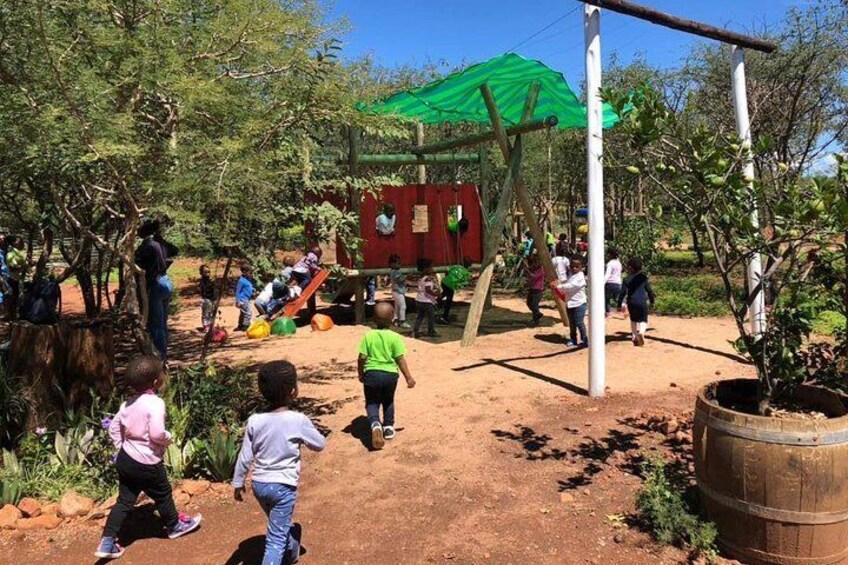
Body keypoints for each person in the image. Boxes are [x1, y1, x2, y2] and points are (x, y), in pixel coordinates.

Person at [95, 356, 202, 559]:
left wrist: (122, 448)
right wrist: (167, 438)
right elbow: (156, 433)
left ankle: (107, 541)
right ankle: (174, 525)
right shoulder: (155, 403)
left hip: (126, 459)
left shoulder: (128, 404)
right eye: (162, 372)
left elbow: (114, 429)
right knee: (163, 493)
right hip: (147, 461)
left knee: (125, 501)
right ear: (155, 382)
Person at [233, 361, 326, 565]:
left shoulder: (255, 421)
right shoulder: (297, 420)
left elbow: (245, 456)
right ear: (293, 391)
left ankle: (292, 552)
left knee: (279, 526)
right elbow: (319, 444)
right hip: (283, 487)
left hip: (260, 485)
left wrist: (238, 483)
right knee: (275, 539)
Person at [357, 302, 416, 449]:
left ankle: (375, 423)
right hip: (390, 375)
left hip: (372, 373)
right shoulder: (395, 337)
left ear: (374, 319)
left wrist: (361, 373)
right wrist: (408, 377)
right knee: (388, 400)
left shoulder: (368, 336)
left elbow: (362, 358)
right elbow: (399, 359)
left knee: (372, 402)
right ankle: (388, 427)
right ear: (392, 319)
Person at [134, 220, 178, 362]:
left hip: (155, 285)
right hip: (166, 281)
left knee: (156, 324)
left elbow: (136, 262)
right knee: (162, 323)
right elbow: (175, 251)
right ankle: (163, 354)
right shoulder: (160, 243)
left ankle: (160, 358)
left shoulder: (147, 246)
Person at [618, 257, 656, 347]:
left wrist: (619, 304)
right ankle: (641, 332)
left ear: (630, 268)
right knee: (643, 319)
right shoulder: (643, 277)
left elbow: (622, 293)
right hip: (642, 301)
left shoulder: (626, 278)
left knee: (633, 319)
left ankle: (634, 336)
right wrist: (652, 301)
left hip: (631, 302)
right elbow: (649, 290)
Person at [555, 257, 588, 348]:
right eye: (572, 266)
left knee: (579, 323)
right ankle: (573, 340)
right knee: (572, 323)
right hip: (570, 303)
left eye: (577, 266)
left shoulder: (580, 277)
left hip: (579, 304)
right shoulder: (570, 275)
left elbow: (571, 286)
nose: (574, 268)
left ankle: (584, 340)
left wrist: (559, 287)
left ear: (581, 267)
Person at [413, 258, 439, 339]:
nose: (432, 269)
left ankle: (415, 330)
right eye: (431, 267)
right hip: (426, 302)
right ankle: (431, 331)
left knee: (420, 316)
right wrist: (436, 294)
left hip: (419, 300)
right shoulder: (428, 279)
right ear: (426, 269)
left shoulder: (421, 278)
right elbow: (428, 290)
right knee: (431, 317)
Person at [389, 254, 409, 329]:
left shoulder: (393, 271)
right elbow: (399, 280)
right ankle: (402, 321)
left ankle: (395, 319)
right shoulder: (396, 272)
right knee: (403, 306)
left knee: (397, 306)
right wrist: (405, 277)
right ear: (392, 264)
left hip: (395, 291)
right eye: (398, 263)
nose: (400, 265)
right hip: (398, 291)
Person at [234, 264, 256, 331]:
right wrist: (238, 301)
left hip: (247, 299)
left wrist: (253, 290)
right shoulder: (241, 281)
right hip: (243, 299)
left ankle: (240, 325)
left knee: (243, 312)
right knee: (248, 312)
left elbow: (249, 287)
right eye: (249, 273)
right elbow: (238, 291)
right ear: (244, 272)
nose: (251, 274)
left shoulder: (247, 280)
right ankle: (246, 326)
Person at [525, 254, 544, 327]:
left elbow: (534, 276)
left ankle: (536, 319)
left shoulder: (541, 270)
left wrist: (528, 271)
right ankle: (537, 314)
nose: (534, 263)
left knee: (534, 305)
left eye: (536, 262)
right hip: (532, 289)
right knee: (529, 303)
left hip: (538, 290)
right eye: (534, 262)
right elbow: (529, 270)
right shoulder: (533, 268)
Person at [604, 249, 623, 318]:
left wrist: (602, 282)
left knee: (607, 299)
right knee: (617, 298)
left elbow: (607, 274)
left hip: (610, 283)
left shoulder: (610, 263)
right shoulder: (619, 263)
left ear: (610, 255)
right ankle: (624, 307)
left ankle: (608, 313)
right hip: (618, 283)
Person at [199, 265, 216, 332]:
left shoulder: (210, 280)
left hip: (212, 299)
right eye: (206, 272)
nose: (208, 273)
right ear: (202, 273)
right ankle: (206, 326)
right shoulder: (203, 281)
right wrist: (212, 283)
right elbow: (204, 288)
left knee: (211, 312)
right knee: (206, 313)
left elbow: (214, 289)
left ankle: (210, 325)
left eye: (209, 272)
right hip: (206, 299)